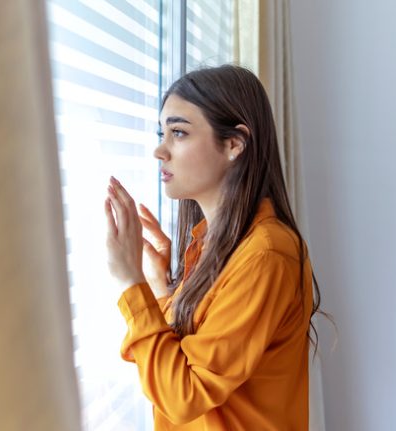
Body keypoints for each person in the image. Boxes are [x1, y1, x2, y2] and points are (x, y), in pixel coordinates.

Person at [104, 65, 320, 430]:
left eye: (178, 133)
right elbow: (182, 363)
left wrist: (130, 281)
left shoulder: (265, 255)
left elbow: (183, 395)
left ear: (234, 144)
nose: (160, 150)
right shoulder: (213, 247)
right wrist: (159, 287)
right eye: (163, 133)